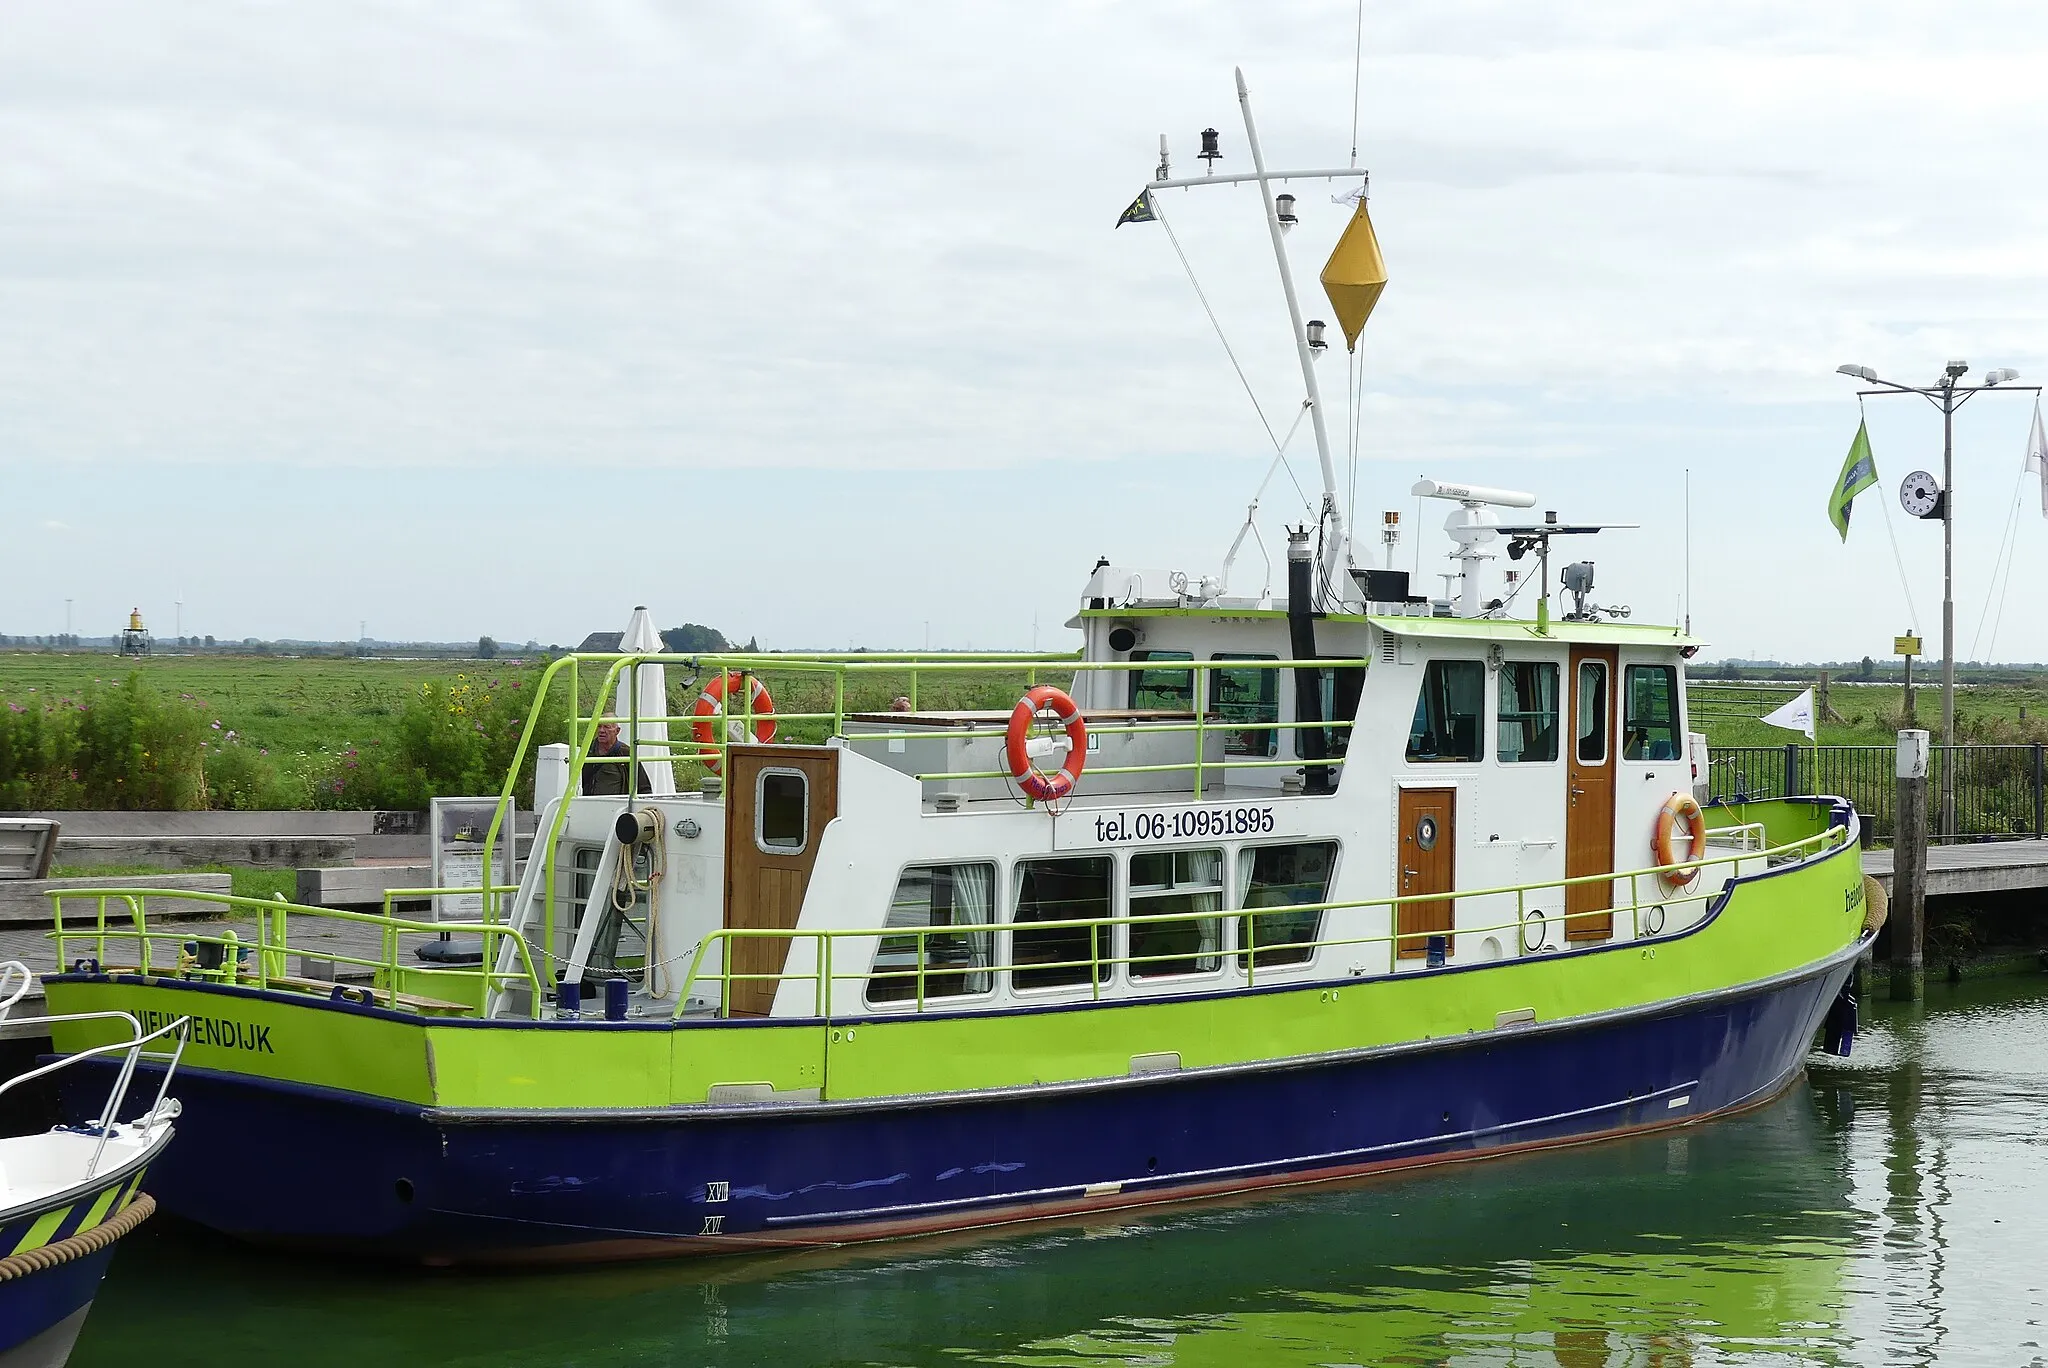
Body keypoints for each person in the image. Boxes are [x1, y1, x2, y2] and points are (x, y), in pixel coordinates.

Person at [582, 717, 652, 797]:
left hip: (617, 806)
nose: (601, 730)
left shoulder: (626, 753)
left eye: (606, 727)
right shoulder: (586, 751)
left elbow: (643, 787)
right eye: (599, 726)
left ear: (617, 731)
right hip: (587, 804)